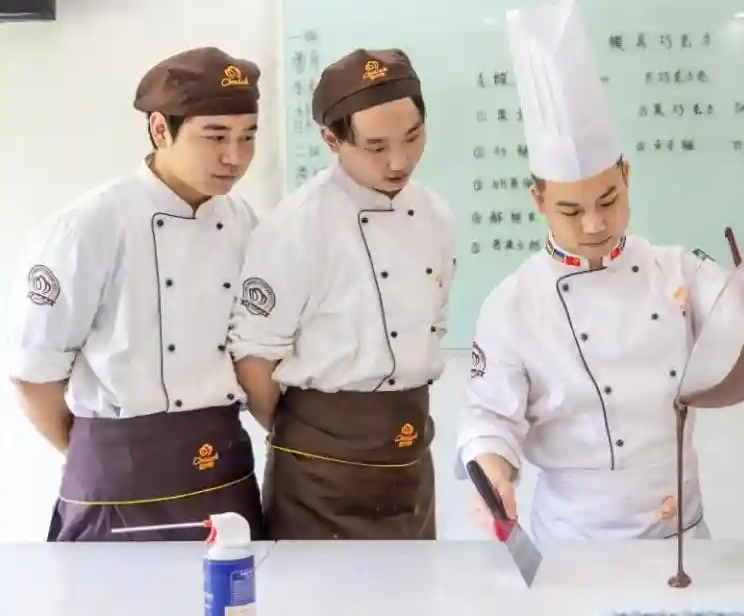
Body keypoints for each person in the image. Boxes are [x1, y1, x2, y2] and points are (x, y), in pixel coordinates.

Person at [455, 0, 744, 541]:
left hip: (681, 534)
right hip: (574, 541)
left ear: (626, 176)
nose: (593, 224)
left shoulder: (675, 270)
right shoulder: (512, 304)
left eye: (608, 200)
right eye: (570, 210)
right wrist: (493, 477)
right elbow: (491, 419)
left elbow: (742, 323)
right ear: (538, 200)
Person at [5, 47, 265, 541]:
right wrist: (101, 458)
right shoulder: (88, 227)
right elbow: (33, 375)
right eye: (215, 137)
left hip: (223, 468)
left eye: (247, 136)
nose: (235, 156)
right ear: (160, 129)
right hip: (117, 481)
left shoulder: (242, 220)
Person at [228, 48, 456, 540]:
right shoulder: (296, 227)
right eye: (376, 146)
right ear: (331, 139)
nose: (399, 160)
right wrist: (313, 436)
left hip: (411, 453)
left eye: (413, 137)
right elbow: (253, 359)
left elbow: (434, 326)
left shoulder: (436, 216)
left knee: (416, 582)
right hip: (319, 470)